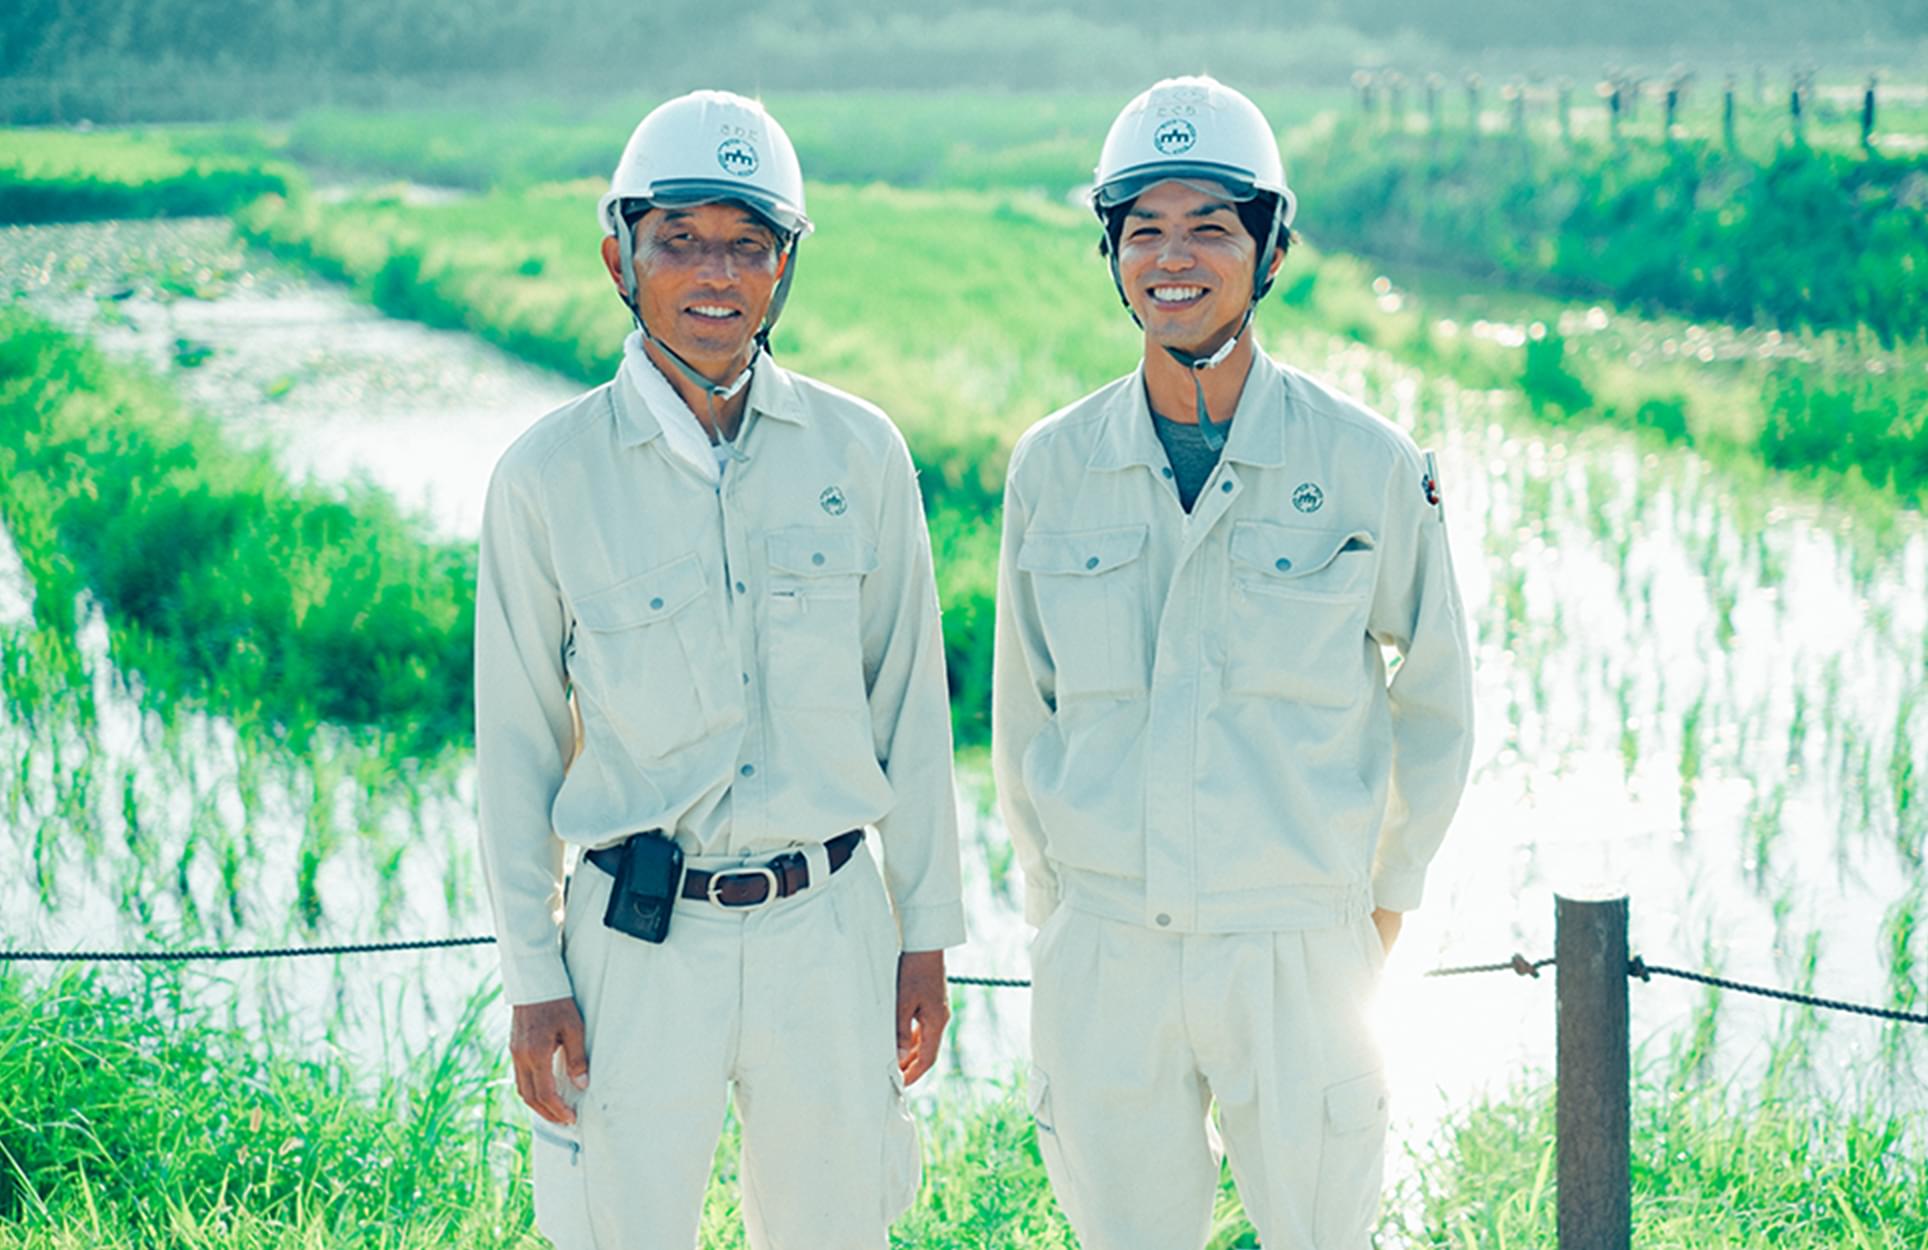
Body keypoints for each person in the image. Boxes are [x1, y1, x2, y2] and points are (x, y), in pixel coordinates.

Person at [474, 89, 964, 1250]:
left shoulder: (861, 452)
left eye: (747, 244)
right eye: (679, 240)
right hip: (633, 946)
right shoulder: (545, 476)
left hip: (829, 929)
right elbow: (517, 744)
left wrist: (924, 932)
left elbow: (913, 708)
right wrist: (530, 970)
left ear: (785, 264)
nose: (714, 273)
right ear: (620, 256)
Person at [992, 75, 1475, 1250]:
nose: (1174, 257)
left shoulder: (1364, 461)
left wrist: (1380, 903)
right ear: (1109, 251)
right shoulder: (1050, 467)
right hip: (1107, 947)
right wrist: (1058, 920)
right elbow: (1025, 723)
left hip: (1299, 948)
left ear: (1268, 249)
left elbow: (1437, 702)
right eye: (1142, 229)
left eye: (1210, 226)